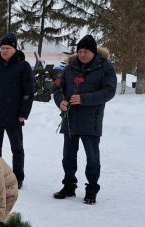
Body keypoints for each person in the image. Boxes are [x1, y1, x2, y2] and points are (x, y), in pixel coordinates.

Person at [52, 35, 116, 205]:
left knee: (92, 158)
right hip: (70, 119)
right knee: (68, 157)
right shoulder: (70, 67)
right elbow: (58, 89)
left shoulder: (105, 68)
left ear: (93, 52)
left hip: (91, 120)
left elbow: (109, 91)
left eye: (86, 51)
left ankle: (92, 189)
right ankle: (69, 185)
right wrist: (61, 102)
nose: (82, 54)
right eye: (80, 51)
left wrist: (83, 99)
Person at [0, 33, 34, 189]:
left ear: (14, 49)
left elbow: (28, 91)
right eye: (2, 48)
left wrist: (24, 113)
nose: (4, 51)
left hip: (14, 116)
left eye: (7, 48)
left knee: (17, 148)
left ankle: (18, 177)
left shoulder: (23, 66)